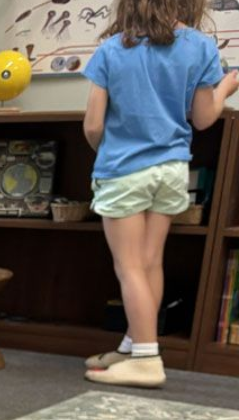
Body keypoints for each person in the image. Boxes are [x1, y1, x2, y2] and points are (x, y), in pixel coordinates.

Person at [82, 0, 238, 388]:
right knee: (150, 263)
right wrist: (226, 88)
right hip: (171, 170)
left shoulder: (110, 51)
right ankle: (134, 346)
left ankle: (147, 359)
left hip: (124, 170)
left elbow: (93, 125)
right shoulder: (200, 47)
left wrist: (108, 152)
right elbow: (203, 118)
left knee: (129, 266)